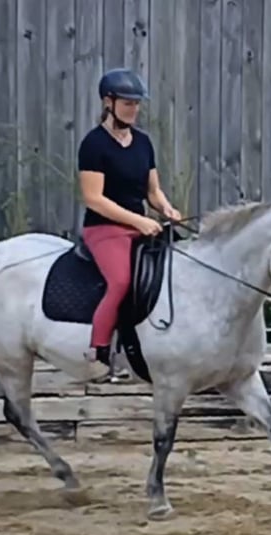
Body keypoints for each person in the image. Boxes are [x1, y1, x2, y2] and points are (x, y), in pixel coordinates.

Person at [77, 67, 182, 378]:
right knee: (121, 281)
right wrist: (138, 221)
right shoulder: (94, 145)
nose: (134, 109)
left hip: (140, 227)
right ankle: (99, 350)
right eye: (127, 103)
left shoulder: (143, 143)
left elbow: (153, 191)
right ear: (108, 103)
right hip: (105, 229)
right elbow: (94, 198)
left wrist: (166, 208)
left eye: (137, 104)